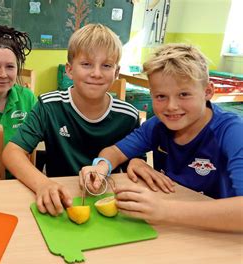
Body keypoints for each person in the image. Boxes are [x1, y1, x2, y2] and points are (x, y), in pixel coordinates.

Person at [81, 43, 243, 232]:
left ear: (207, 91)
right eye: (160, 96)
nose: (171, 106)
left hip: (219, 234)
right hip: (172, 227)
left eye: (184, 94)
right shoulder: (157, 125)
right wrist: (100, 166)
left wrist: (164, 210)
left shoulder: (232, 132)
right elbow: (114, 152)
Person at [3, 24, 140, 216]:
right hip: (61, 201)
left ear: (116, 73)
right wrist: (42, 184)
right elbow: (12, 153)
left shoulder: (128, 116)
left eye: (106, 66)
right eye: (86, 64)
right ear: (69, 70)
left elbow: (134, 167)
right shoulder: (48, 105)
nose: (96, 73)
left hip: (108, 203)